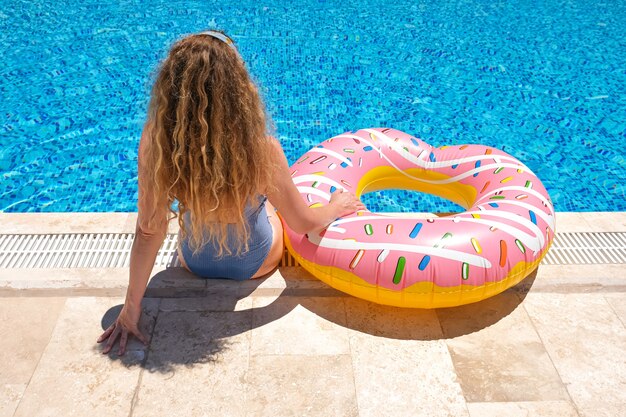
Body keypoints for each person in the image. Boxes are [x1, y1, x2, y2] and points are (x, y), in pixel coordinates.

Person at [97, 30, 365, 355]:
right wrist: (336, 206)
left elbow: (149, 230)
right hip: (254, 264)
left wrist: (130, 309)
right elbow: (303, 222)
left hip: (194, 260)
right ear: (237, 88)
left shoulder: (158, 143)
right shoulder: (261, 150)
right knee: (276, 209)